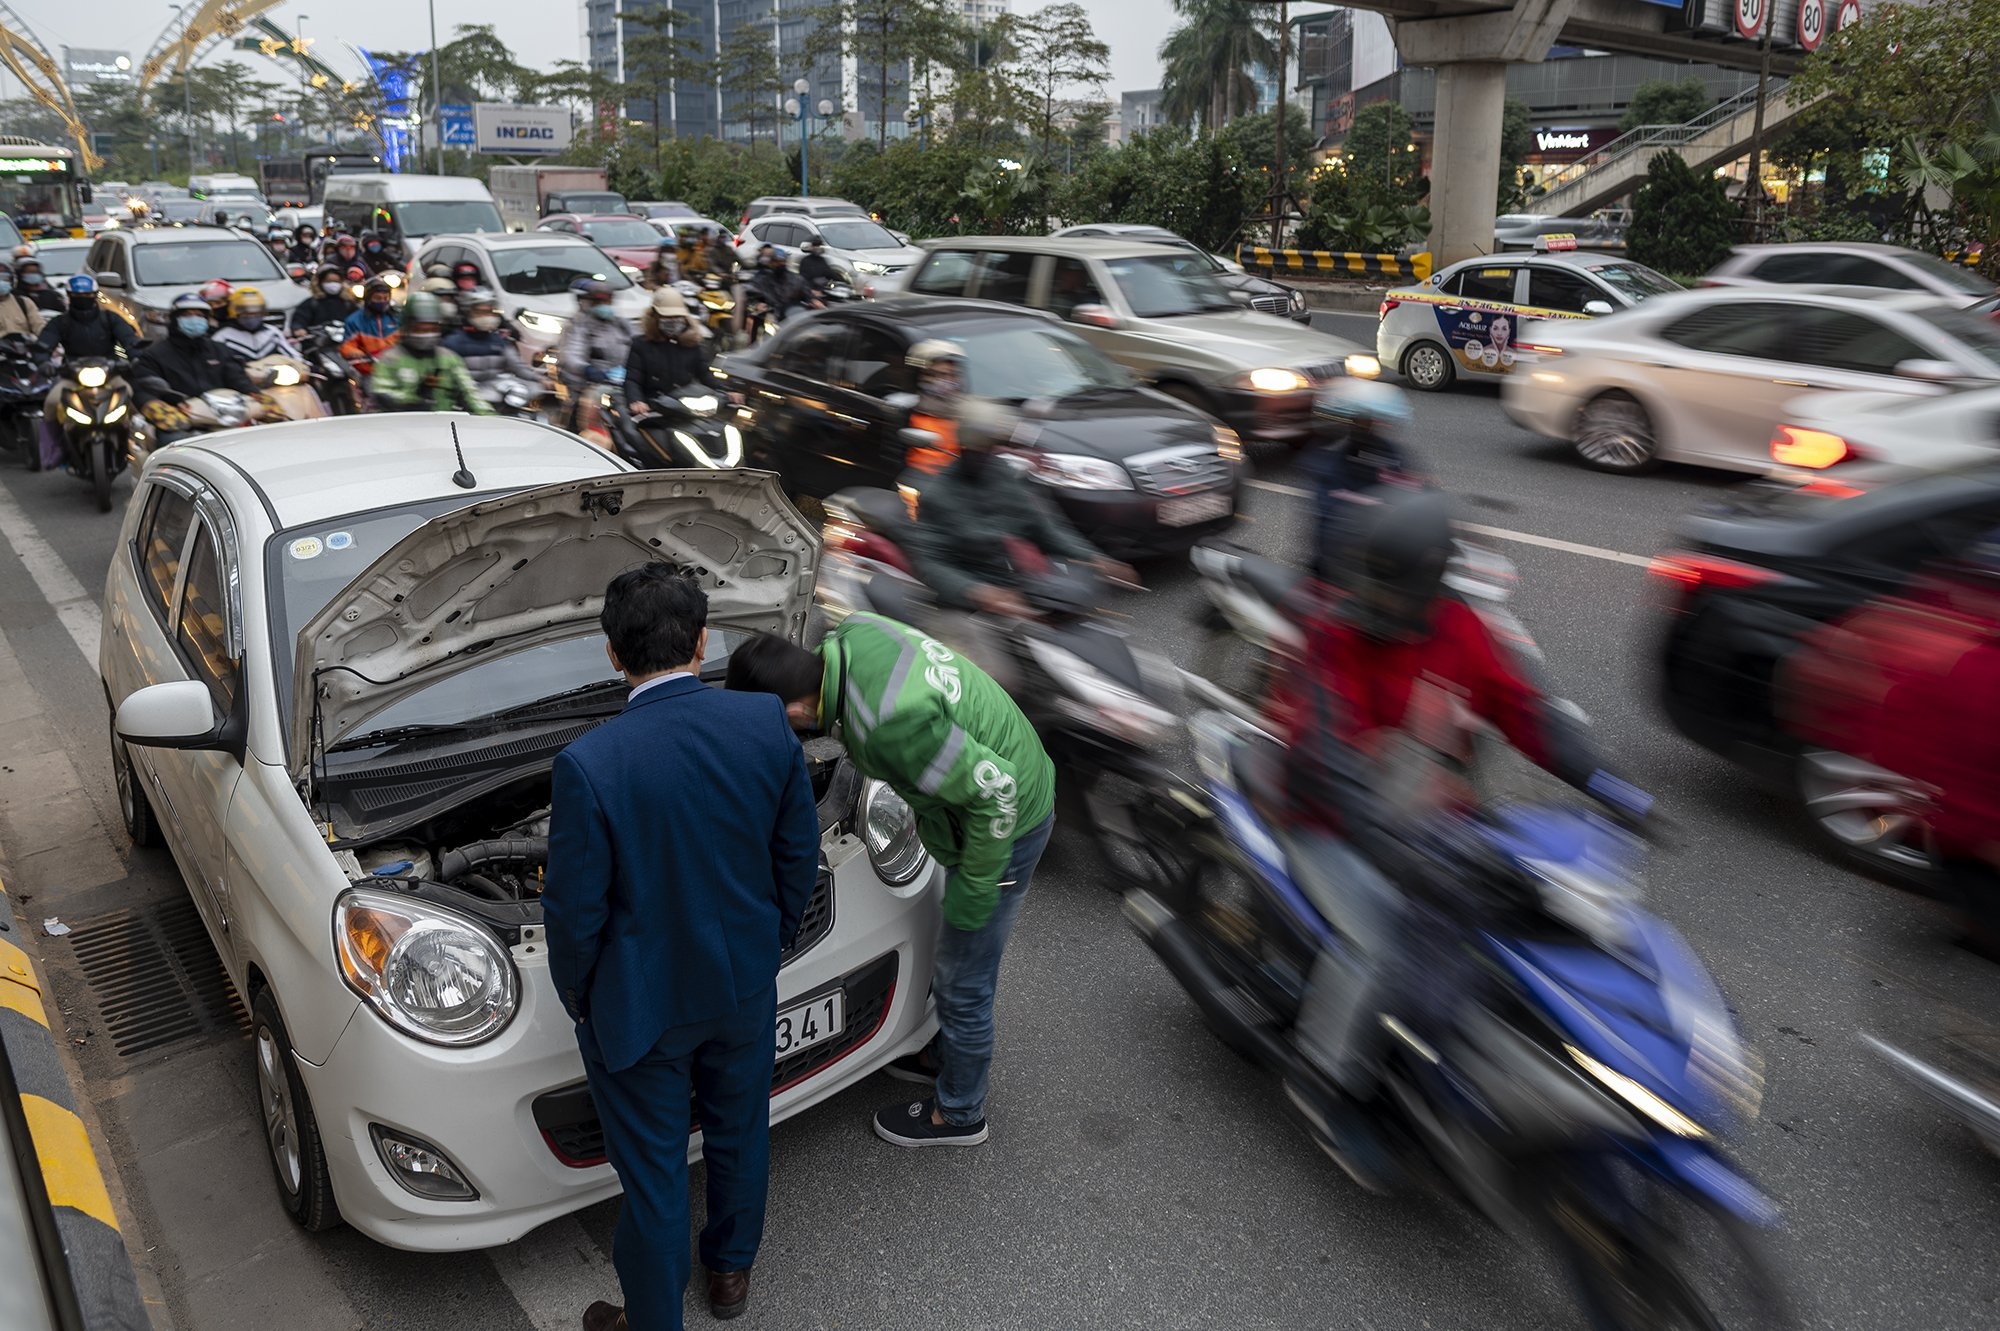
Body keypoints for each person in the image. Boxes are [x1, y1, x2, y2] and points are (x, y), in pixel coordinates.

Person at [1265, 489, 1641, 1183]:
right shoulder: (1333, 635)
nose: (1375, 601)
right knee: (1379, 940)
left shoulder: (1459, 625)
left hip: (1432, 819)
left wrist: (1604, 781)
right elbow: (1328, 764)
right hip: (1329, 823)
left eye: (1391, 588)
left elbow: (1525, 710)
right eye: (1369, 583)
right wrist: (1392, 855)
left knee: (1520, 916)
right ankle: (1326, 1081)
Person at [547, 566, 819, 1331]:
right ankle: (730, 1273)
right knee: (739, 1129)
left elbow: (573, 917)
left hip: (642, 1008)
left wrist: (583, 999)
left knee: (657, 1174)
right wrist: (769, 943)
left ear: (612, 654)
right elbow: (798, 854)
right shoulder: (763, 723)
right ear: (702, 642)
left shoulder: (589, 767)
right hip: (740, 984)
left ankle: (653, 1319)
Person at [725, 615, 1056, 1150]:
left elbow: (997, 795)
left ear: (791, 709)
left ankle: (959, 1114)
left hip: (1009, 824)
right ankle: (943, 1058)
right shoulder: (853, 636)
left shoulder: (886, 724)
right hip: (1000, 775)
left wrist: (976, 890)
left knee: (964, 978)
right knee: (958, 963)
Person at [1301, 378, 1424, 579]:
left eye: (1369, 421)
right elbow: (1330, 515)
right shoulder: (1329, 459)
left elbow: (1412, 486)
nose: (1366, 427)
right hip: (1341, 561)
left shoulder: (1390, 453)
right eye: (1361, 421)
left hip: (1385, 555)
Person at [133, 292, 256, 433]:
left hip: (225, 415)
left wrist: (255, 395)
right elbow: (144, 387)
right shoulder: (154, 354)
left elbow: (237, 378)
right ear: (174, 319)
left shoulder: (219, 350)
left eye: (200, 315)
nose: (194, 319)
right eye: (187, 315)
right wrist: (156, 407)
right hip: (180, 421)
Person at [367, 290, 491, 414]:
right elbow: (383, 396)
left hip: (445, 427)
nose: (426, 334)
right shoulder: (390, 359)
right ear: (406, 328)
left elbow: (471, 394)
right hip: (402, 427)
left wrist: (490, 419)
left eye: (432, 329)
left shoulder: (449, 359)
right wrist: (417, 397)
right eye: (420, 329)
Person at [559, 278, 632, 434]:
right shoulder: (579, 325)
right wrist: (587, 370)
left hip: (617, 382)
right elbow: (571, 354)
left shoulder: (620, 324)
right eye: (599, 301)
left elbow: (632, 345)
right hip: (585, 383)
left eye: (607, 300)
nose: (604, 304)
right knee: (585, 420)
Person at [622, 287, 708, 418]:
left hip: (685, 409)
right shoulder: (641, 345)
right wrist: (637, 401)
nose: (673, 321)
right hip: (652, 411)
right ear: (655, 317)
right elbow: (633, 379)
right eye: (667, 317)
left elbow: (705, 374)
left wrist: (725, 391)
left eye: (677, 317)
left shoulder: (691, 344)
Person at [38, 275, 139, 364]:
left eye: (88, 295)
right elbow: (43, 345)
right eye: (77, 295)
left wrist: (135, 358)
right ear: (69, 295)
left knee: (127, 386)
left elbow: (129, 340)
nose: (83, 298)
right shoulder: (59, 322)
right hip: (71, 373)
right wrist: (43, 362)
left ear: (95, 295)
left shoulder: (111, 318)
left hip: (111, 371)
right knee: (57, 387)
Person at [902, 339, 967, 477]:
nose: (949, 380)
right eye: (941, 375)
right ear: (923, 377)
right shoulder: (922, 413)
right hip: (930, 481)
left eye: (952, 374)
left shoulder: (961, 406)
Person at [443, 288, 531, 385]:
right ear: (468, 313)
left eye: (489, 312)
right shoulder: (453, 343)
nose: (487, 316)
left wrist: (540, 379)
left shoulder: (499, 342)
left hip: (496, 393)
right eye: (480, 312)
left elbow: (518, 366)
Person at [211, 286, 291, 363]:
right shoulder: (223, 336)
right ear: (234, 312)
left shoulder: (272, 333)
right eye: (246, 312)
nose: (251, 316)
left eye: (256, 311)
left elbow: (292, 355)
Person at [341, 276, 400, 377]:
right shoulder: (354, 321)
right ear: (368, 299)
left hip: (397, 368)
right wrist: (357, 353)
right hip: (369, 371)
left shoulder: (397, 317)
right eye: (377, 298)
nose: (382, 301)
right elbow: (347, 346)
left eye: (385, 298)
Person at [746, 245, 815, 325]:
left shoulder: (797, 280)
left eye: (782, 261)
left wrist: (814, 301)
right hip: (769, 318)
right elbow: (751, 297)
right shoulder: (762, 280)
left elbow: (808, 297)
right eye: (776, 262)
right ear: (770, 263)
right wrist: (757, 304)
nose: (779, 264)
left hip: (793, 317)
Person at [290, 262, 355, 333]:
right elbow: (300, 319)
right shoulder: (312, 303)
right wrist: (299, 329)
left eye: (336, 281)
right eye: (329, 281)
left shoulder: (348, 304)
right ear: (320, 283)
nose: (333, 284)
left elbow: (359, 320)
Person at [0, 261, 45, 339]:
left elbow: (39, 326)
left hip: (24, 348)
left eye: (4, 279)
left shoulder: (24, 302)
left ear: (12, 281)